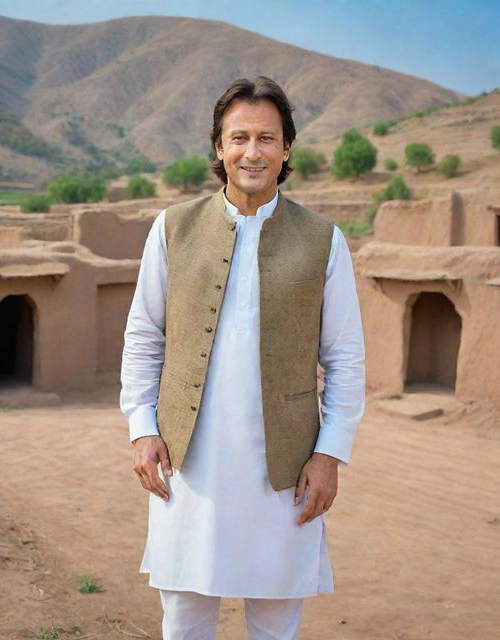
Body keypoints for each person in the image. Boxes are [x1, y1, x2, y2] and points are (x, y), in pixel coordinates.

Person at [120, 75, 365, 640]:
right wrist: (141, 429)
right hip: (190, 461)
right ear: (219, 148)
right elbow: (143, 335)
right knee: (183, 615)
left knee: (276, 619)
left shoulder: (323, 239)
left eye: (266, 138)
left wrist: (330, 453)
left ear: (286, 150)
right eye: (238, 138)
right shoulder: (172, 228)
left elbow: (346, 358)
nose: (251, 152)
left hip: (284, 468)